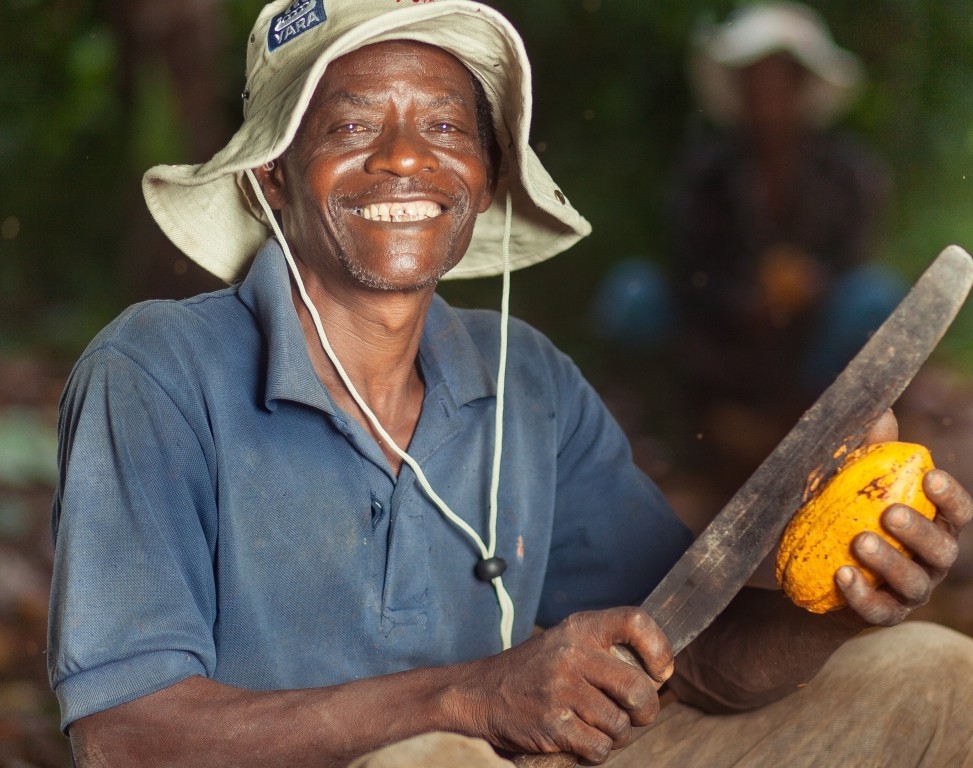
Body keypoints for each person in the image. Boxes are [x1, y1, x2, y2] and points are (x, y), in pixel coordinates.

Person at [47, 2, 973, 767]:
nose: (406, 157)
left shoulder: (523, 377)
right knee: (434, 757)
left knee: (931, 676)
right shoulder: (156, 373)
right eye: (351, 125)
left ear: (485, 180)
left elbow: (686, 660)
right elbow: (121, 735)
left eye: (447, 126)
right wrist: (466, 697)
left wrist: (837, 608)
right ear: (268, 183)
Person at [671, 3, 908, 485]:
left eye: (781, 81)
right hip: (726, 334)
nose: (769, 96)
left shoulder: (847, 171)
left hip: (813, 337)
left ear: (802, 89)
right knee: (634, 297)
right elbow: (688, 266)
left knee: (877, 296)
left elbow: (855, 256)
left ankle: (815, 428)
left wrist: (811, 285)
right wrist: (739, 299)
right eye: (757, 81)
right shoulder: (708, 173)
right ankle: (665, 439)